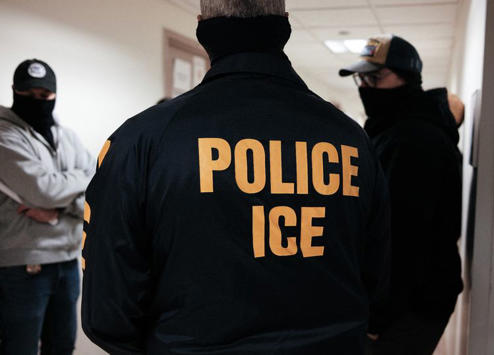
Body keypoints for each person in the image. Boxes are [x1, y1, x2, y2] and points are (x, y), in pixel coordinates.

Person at [81, 1, 391, 354]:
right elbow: (377, 278)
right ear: (285, 26)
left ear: (202, 27)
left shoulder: (140, 141)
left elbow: (107, 310)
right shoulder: (352, 140)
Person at [340, 35, 463, 354]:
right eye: (361, 77)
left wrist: (378, 320)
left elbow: (404, 239)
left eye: (375, 78)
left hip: (411, 305)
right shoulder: (393, 131)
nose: (365, 86)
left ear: (408, 79)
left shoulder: (412, 140)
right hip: (409, 298)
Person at [0, 59, 95, 354]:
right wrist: (78, 181)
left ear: (55, 94)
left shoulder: (67, 137)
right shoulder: (5, 135)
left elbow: (99, 184)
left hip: (68, 260)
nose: (36, 101)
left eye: (44, 95)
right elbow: (44, 190)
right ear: (15, 91)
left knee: (63, 346)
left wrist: (60, 211)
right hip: (23, 264)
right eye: (28, 94)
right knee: (20, 348)